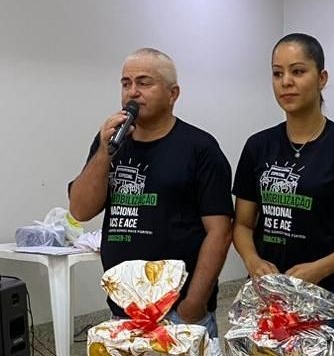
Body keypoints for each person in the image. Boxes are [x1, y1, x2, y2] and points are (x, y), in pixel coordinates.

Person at [68, 48, 234, 338]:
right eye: (126, 83)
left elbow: (219, 232)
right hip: (123, 311)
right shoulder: (111, 142)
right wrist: (105, 152)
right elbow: (80, 210)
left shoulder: (200, 148)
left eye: (144, 83)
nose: (132, 92)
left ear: (173, 94)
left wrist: (193, 304)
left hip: (179, 314)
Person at [232, 33, 334, 351]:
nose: (286, 82)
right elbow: (242, 224)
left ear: (321, 78)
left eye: (298, 71)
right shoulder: (258, 146)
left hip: (328, 293)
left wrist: (319, 268)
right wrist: (252, 260)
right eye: (277, 73)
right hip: (268, 294)